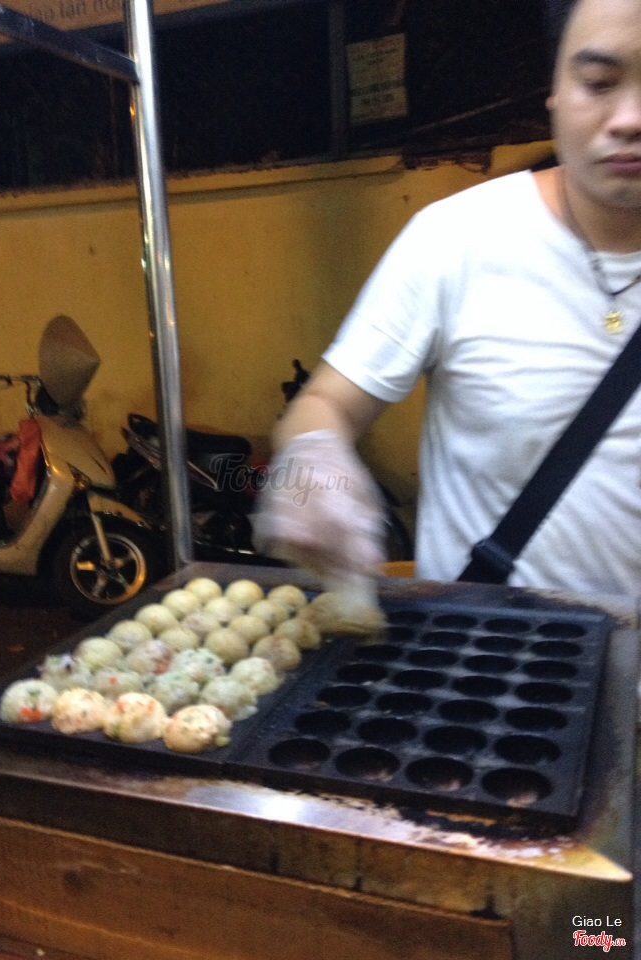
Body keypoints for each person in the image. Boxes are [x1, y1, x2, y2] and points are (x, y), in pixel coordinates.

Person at [253, 0, 641, 598]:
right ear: (556, 92)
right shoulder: (457, 239)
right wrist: (314, 462)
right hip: (485, 648)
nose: (630, 118)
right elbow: (324, 403)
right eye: (598, 83)